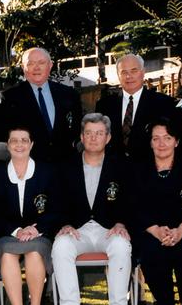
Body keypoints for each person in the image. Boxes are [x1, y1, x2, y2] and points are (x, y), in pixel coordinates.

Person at [52, 113, 132, 305]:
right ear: (81, 137)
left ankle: (119, 302)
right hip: (78, 230)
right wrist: (64, 224)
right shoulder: (66, 167)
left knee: (122, 245)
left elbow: (130, 200)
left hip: (109, 229)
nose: (93, 138)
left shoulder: (122, 166)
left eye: (99, 133)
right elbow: (56, 200)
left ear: (108, 137)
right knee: (61, 246)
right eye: (88, 133)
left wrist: (121, 223)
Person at [132, 118, 182, 305]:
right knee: (152, 253)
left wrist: (180, 231)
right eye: (155, 139)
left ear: (177, 141)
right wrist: (156, 230)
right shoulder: (139, 170)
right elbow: (134, 207)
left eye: (167, 137)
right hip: (152, 232)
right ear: (150, 143)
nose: (161, 143)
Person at [0, 126, 59, 305]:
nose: (19, 144)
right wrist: (17, 230)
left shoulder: (48, 172)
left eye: (24, 140)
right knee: (7, 255)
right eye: (14, 140)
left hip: (39, 234)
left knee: (34, 252)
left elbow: (57, 209)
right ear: (7, 145)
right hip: (7, 234)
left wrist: (37, 229)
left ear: (32, 144)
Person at [0, 47, 82, 162]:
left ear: (50, 65)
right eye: (30, 63)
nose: (36, 68)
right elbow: (2, 137)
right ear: (23, 67)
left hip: (65, 166)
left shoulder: (69, 94)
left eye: (41, 63)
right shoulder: (9, 98)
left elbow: (77, 131)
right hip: (29, 168)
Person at [96, 53, 175, 161]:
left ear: (143, 72)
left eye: (134, 71)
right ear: (118, 75)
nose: (129, 76)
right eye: (124, 72)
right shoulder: (104, 105)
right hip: (113, 171)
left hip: (149, 171)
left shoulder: (163, 103)